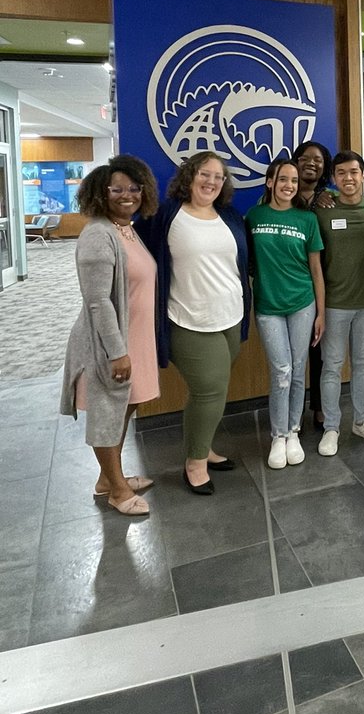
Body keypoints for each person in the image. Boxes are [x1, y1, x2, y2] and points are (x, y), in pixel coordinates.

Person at [135, 152, 251, 494]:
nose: (211, 181)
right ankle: (195, 463)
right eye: (205, 173)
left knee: (208, 393)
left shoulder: (229, 215)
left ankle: (204, 448)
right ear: (189, 176)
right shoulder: (166, 214)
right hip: (187, 318)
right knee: (210, 389)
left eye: (218, 177)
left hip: (230, 315)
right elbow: (134, 247)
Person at [60, 155, 160, 516]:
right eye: (116, 188)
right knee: (107, 415)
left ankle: (109, 476)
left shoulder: (125, 227)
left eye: (133, 188)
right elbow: (97, 301)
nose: (126, 195)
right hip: (108, 345)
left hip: (136, 339)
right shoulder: (97, 234)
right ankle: (116, 490)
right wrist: (117, 351)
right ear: (100, 193)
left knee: (125, 407)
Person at [246, 159, 325, 468]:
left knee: (298, 367)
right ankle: (278, 435)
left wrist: (321, 313)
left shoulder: (307, 220)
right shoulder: (254, 216)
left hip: (303, 303)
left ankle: (293, 431)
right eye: (283, 180)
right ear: (270, 182)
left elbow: (316, 271)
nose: (289, 185)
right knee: (282, 370)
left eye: (293, 180)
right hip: (268, 306)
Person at [315, 151, 364, 456]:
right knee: (331, 367)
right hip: (334, 304)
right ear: (333, 178)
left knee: (362, 365)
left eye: (354, 172)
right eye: (341, 173)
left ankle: (361, 421)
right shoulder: (322, 212)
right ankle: (331, 426)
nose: (348, 178)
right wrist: (319, 196)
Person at [291, 140, 335, 430]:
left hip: (324, 283)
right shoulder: (281, 194)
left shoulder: (332, 197)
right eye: (305, 158)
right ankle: (290, 414)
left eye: (318, 159)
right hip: (290, 285)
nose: (311, 163)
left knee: (320, 351)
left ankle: (319, 408)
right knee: (292, 358)